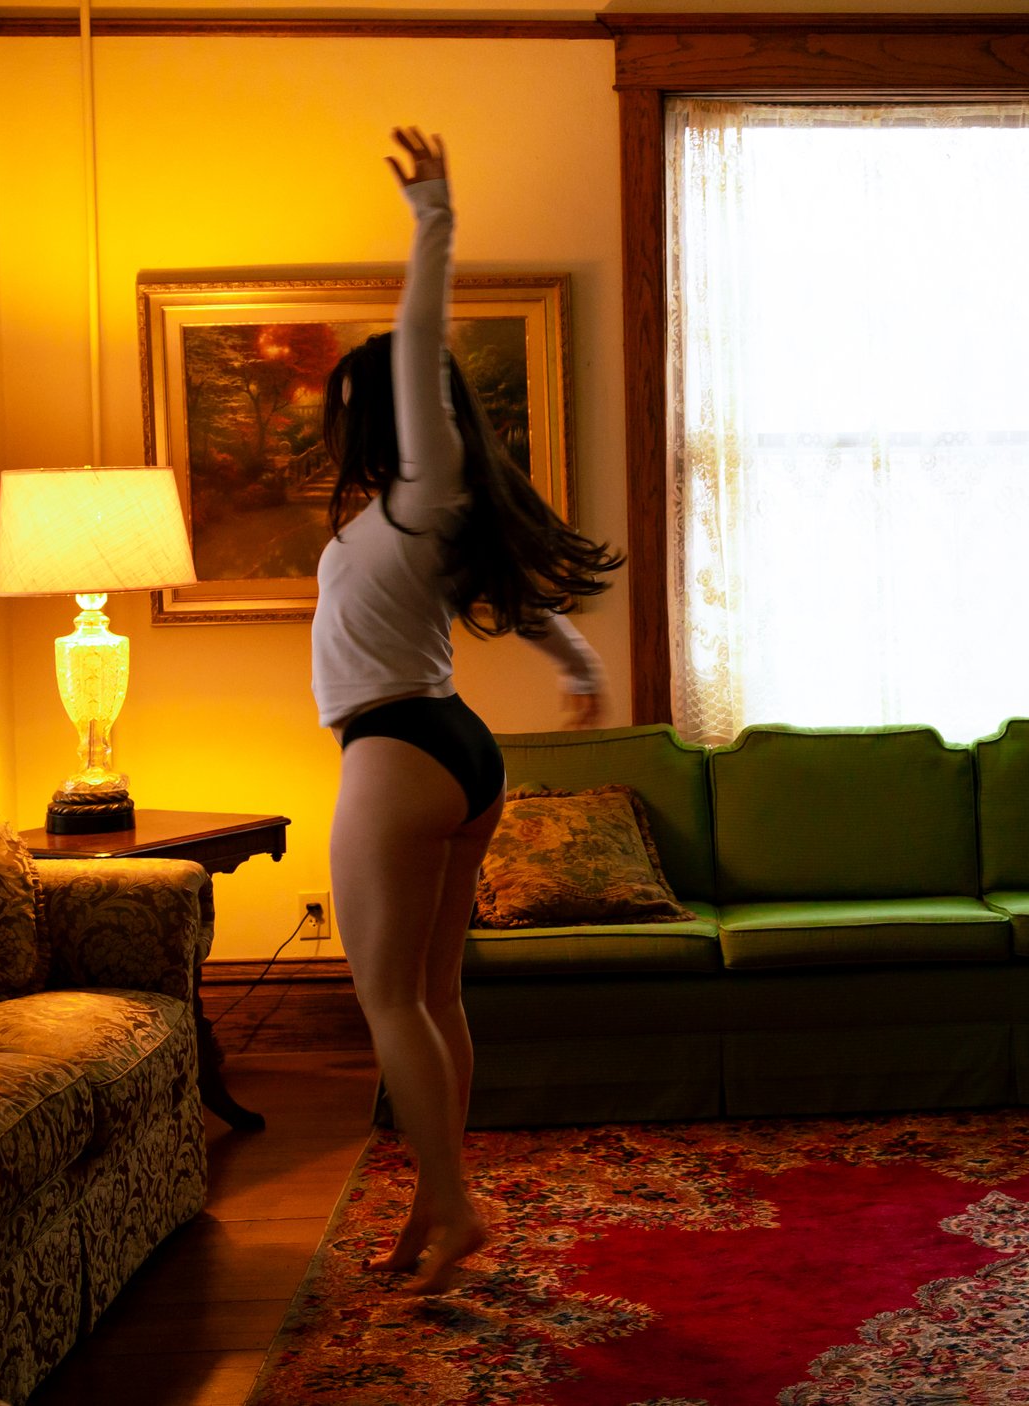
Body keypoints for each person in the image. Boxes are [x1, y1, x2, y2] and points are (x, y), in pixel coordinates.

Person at [313, 127, 621, 1294]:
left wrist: (433, 214)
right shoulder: (422, 516)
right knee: (431, 992)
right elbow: (519, 601)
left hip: (398, 747)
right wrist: (578, 663)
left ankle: (449, 1201)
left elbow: (423, 336)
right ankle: (439, 1199)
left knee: (388, 995)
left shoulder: (421, 489)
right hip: (453, 747)